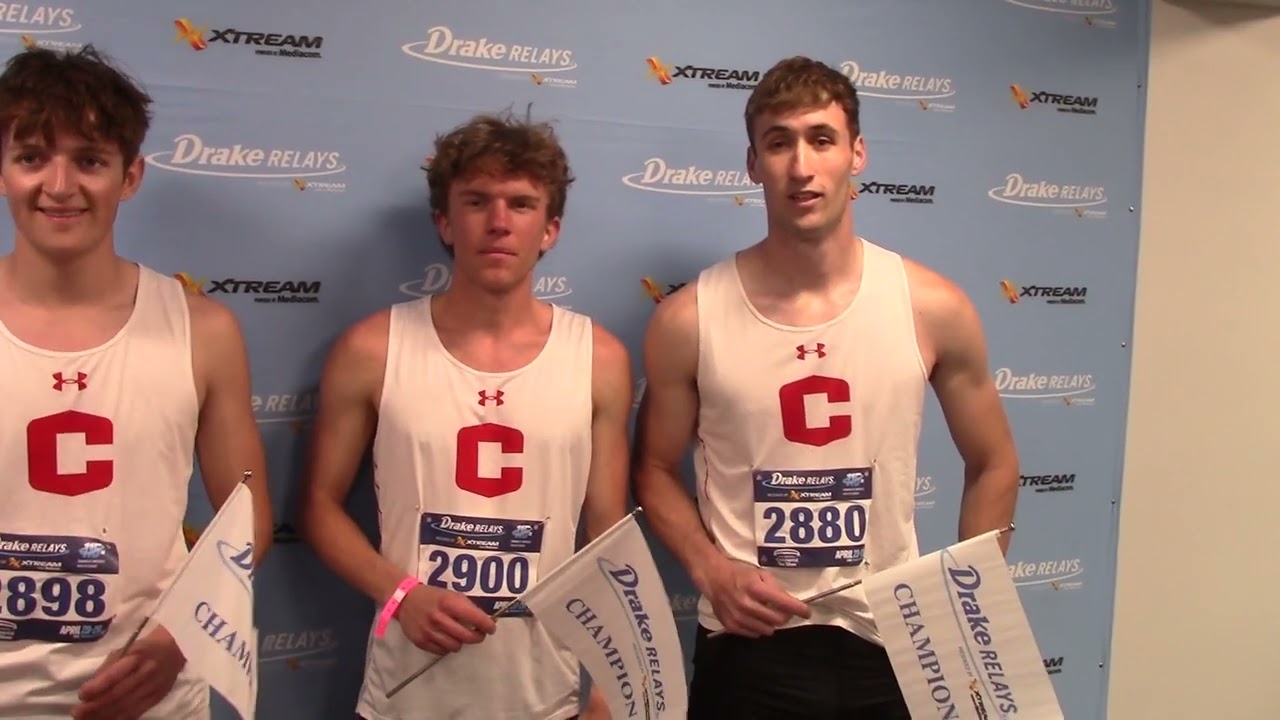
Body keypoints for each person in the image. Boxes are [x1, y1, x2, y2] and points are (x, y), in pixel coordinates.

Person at [632, 55, 1021, 718]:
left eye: (821, 139)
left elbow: (995, 463)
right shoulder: (689, 317)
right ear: (753, 164)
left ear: (857, 153)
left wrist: (962, 603)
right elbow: (654, 468)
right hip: (747, 644)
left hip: (891, 645)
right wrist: (709, 567)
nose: (801, 166)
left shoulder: (930, 306)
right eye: (778, 143)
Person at [298, 109, 631, 720]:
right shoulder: (372, 350)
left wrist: (610, 686)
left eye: (521, 204)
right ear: (445, 222)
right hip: (405, 696)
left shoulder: (599, 359)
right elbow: (319, 508)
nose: (499, 223)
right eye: (477, 201)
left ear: (550, 228)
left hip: (546, 696)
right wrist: (401, 595)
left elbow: (609, 540)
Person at [0, 45, 274, 719]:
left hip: (150, 700)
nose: (59, 185)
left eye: (89, 160)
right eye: (33, 156)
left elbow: (248, 517)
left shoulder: (202, 331)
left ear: (130, 176)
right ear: (3, 171)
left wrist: (182, 640)